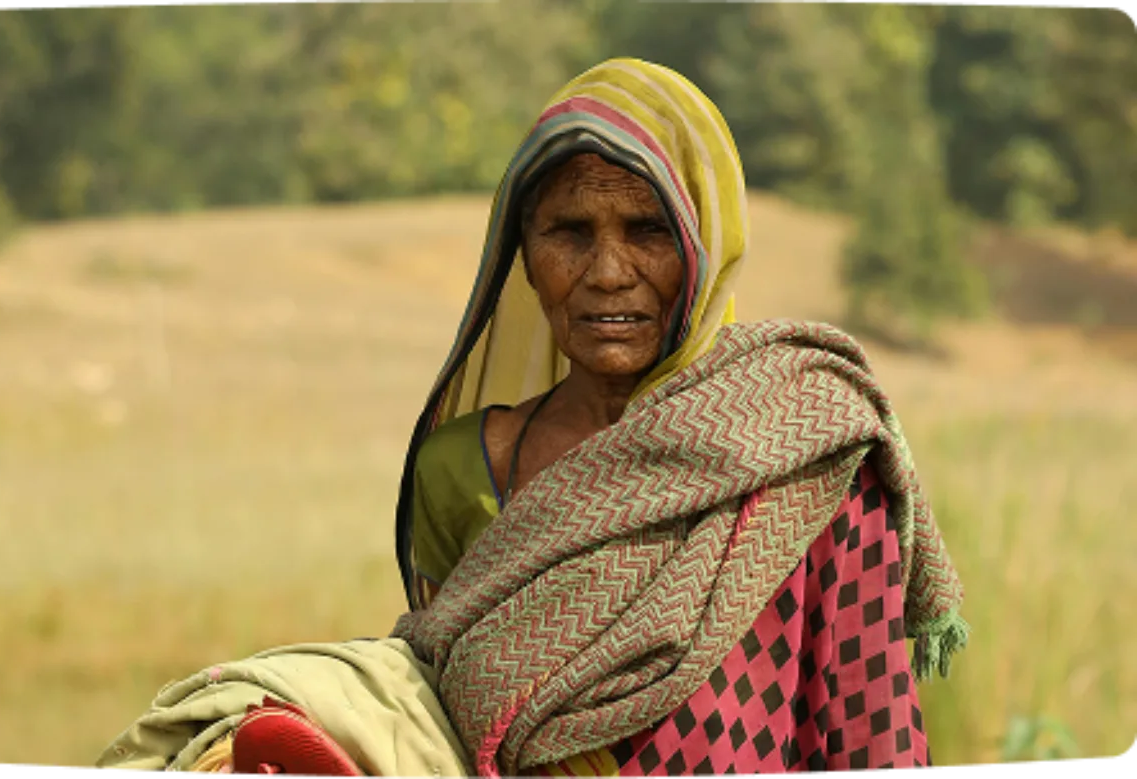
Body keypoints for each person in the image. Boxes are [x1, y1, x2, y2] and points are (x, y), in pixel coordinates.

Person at [96, 58, 967, 779]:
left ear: (710, 242)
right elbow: (442, 702)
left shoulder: (806, 441)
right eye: (568, 231)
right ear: (523, 253)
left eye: (647, 229)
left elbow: (868, 733)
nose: (607, 270)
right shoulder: (461, 468)